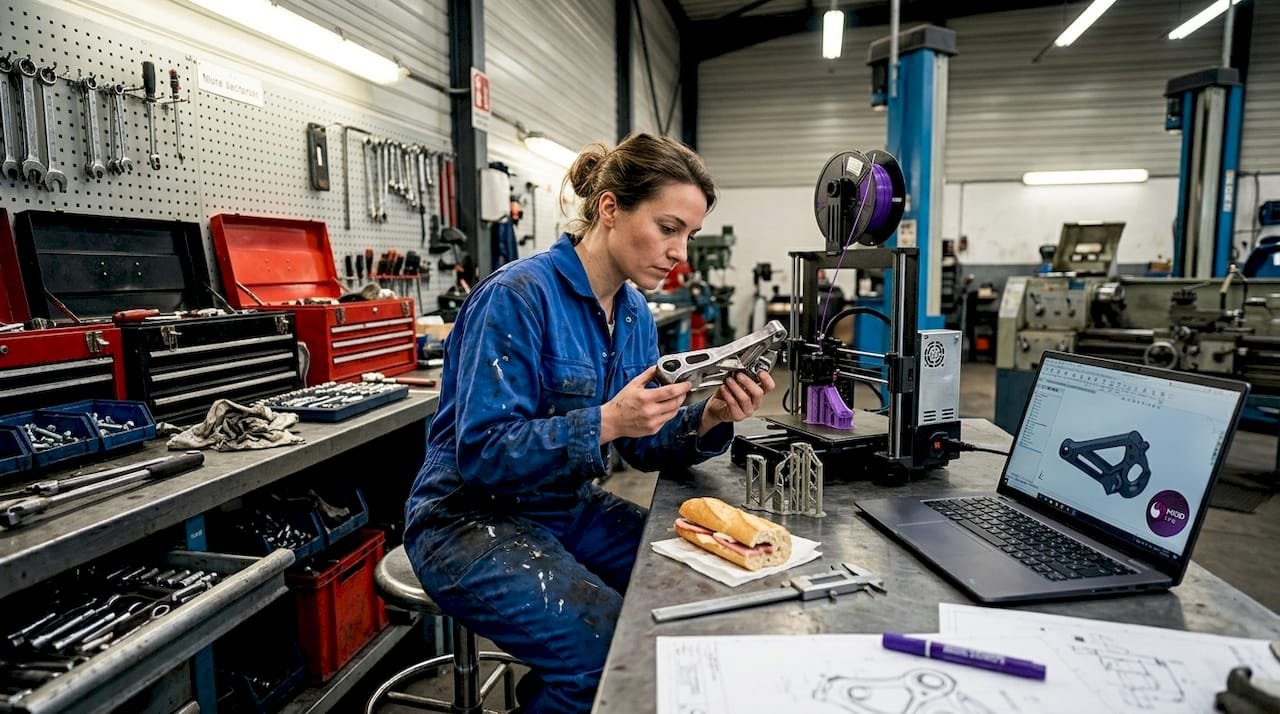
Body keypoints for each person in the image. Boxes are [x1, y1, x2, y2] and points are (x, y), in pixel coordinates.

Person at [402, 132, 777, 713]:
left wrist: (709, 417)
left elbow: (646, 446)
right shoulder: (517, 297)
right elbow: (482, 454)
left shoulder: (632, 313)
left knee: (698, 585)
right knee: (604, 659)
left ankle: (548, 695)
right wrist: (603, 422)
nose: (680, 251)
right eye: (669, 227)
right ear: (609, 208)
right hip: (468, 519)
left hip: (563, 507)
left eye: (690, 235)